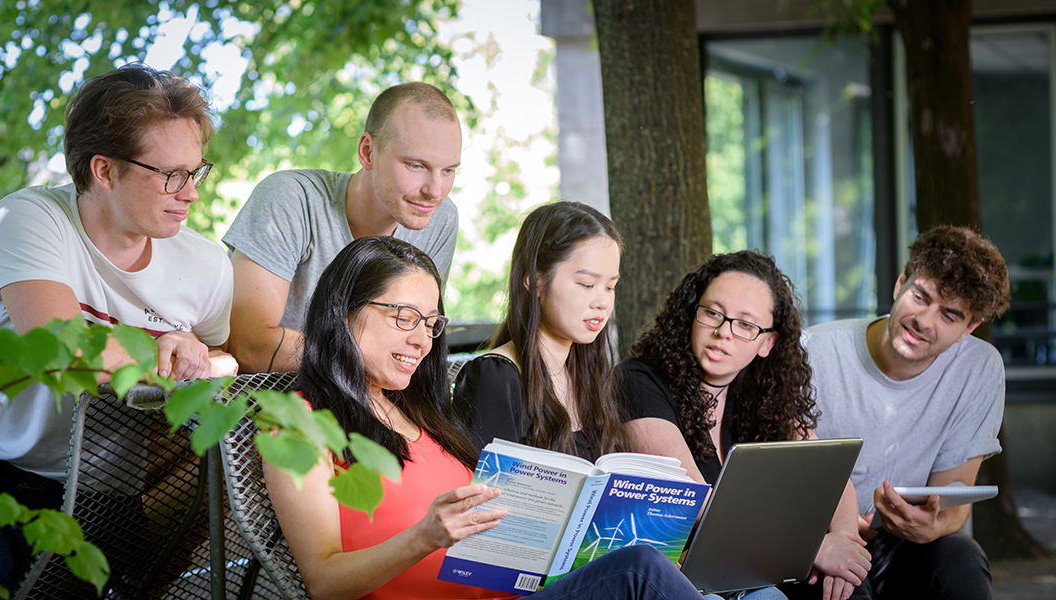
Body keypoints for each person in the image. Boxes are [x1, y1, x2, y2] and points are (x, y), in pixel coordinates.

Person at [0, 64, 238, 598]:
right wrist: (167, 347)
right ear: (105, 171)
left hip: (96, 500)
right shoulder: (30, 217)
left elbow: (228, 358)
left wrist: (200, 353)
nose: (191, 194)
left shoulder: (205, 265)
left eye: (195, 172)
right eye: (170, 175)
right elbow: (64, 348)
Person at [265, 235, 709, 600]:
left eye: (431, 323)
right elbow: (323, 582)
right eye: (405, 317)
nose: (422, 340)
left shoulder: (423, 417)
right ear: (343, 309)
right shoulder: (297, 424)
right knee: (641, 572)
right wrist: (424, 537)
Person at [618, 251, 869, 600]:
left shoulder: (764, 392)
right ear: (691, 314)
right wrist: (812, 549)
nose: (724, 332)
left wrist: (842, 538)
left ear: (767, 342)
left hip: (756, 565)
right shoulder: (638, 380)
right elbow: (698, 509)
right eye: (712, 313)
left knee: (846, 583)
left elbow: (832, 473)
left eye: (746, 325)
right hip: (682, 575)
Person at [802, 225, 1011, 600]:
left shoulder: (980, 368)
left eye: (949, 315)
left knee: (962, 558)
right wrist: (836, 530)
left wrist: (933, 525)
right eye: (920, 297)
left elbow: (954, 494)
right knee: (845, 583)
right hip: (815, 539)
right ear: (900, 284)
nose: (925, 322)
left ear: (970, 328)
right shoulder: (813, 351)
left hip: (899, 544)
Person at [223, 82, 462, 373]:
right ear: (367, 152)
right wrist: (373, 358)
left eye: (448, 170)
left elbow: (418, 338)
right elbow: (250, 346)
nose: (435, 191)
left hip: (364, 406)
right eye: (416, 166)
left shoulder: (440, 219)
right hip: (265, 406)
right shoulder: (291, 199)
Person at [452, 201, 628, 462]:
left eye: (610, 287)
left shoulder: (590, 375)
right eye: (587, 284)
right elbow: (487, 496)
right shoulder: (495, 378)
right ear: (534, 280)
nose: (601, 302)